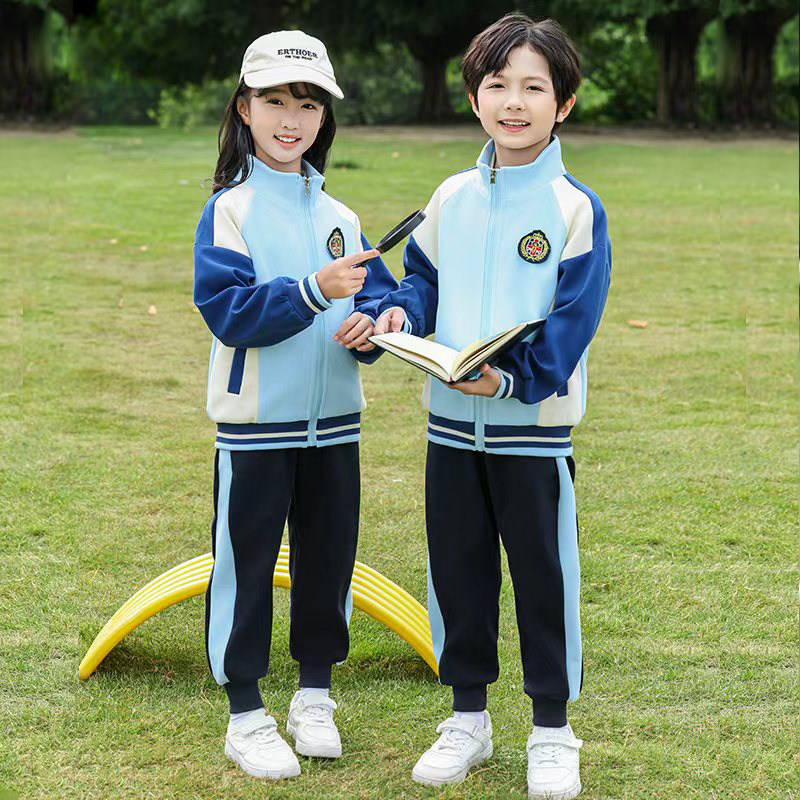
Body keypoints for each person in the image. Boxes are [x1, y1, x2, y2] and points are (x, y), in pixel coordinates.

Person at [373, 14, 611, 799]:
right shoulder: (451, 197)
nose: (513, 102)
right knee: (457, 575)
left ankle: (553, 731)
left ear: (563, 103)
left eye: (533, 87)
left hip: (533, 435)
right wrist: (402, 311)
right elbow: (421, 279)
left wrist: (511, 381)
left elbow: (572, 323)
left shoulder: (575, 208)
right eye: (497, 85)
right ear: (474, 98)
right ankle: (466, 721)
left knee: (544, 581)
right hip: (450, 430)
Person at [193, 30, 395, 781]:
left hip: (335, 427)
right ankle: (245, 714)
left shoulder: (341, 213)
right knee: (245, 565)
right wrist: (313, 290)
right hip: (254, 430)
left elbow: (376, 301)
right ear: (244, 109)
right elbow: (228, 313)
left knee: (328, 563)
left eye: (307, 104)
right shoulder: (230, 210)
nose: (291, 118)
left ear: (323, 117)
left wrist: (376, 326)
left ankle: (315, 697)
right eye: (274, 100)